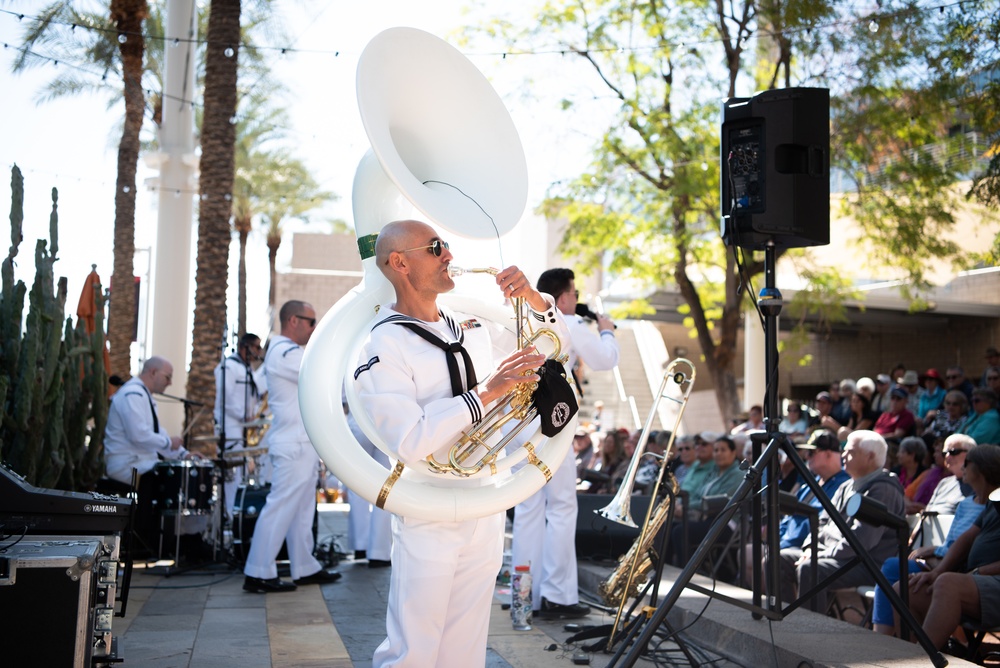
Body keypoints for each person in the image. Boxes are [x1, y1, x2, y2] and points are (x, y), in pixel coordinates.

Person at [354, 220, 567, 667]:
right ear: (400, 263)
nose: (449, 254)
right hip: (428, 507)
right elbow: (409, 439)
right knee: (412, 648)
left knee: (466, 648)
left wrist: (532, 299)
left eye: (447, 245)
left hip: (484, 501)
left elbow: (552, 346)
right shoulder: (384, 341)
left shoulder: (469, 326)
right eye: (436, 248)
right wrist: (485, 393)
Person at [512, 266, 618, 620]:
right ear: (561, 298)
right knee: (561, 507)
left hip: (518, 425)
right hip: (553, 425)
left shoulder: (521, 322)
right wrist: (606, 332)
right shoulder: (569, 324)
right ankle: (557, 595)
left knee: (528, 510)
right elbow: (606, 359)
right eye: (573, 293)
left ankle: (525, 599)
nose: (576, 299)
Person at [243, 300, 341, 594]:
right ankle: (258, 571)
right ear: (293, 321)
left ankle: (304, 566)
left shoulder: (289, 351)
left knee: (301, 510)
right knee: (282, 506)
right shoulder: (285, 351)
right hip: (293, 442)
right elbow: (319, 374)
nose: (314, 327)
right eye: (311, 322)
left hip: (302, 441)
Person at [877, 444, 1000, 649]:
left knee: (948, 583)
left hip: (991, 580)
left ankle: (921, 661)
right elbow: (967, 538)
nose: (963, 469)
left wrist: (979, 572)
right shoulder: (994, 503)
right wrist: (938, 571)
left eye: (967, 464)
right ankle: (908, 656)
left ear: (982, 469)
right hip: (976, 582)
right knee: (904, 590)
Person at [778, 430, 905, 611]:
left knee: (810, 568)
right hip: (835, 556)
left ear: (870, 457)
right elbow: (820, 524)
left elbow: (861, 541)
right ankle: (787, 620)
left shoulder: (883, 490)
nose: (843, 454)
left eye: (850, 451)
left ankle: (808, 633)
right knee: (778, 559)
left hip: (866, 563)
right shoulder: (845, 486)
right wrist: (809, 548)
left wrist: (819, 554)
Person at [104, 356, 201, 556]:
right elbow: (139, 435)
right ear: (153, 372)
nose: (170, 382)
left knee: (176, 474)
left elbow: (157, 434)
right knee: (169, 479)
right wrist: (168, 443)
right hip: (126, 464)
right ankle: (158, 543)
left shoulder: (143, 395)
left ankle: (179, 541)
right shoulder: (132, 394)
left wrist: (184, 454)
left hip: (143, 462)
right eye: (168, 377)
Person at [214, 332, 266, 517]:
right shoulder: (228, 367)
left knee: (240, 475)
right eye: (257, 347)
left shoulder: (247, 369)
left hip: (243, 429)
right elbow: (224, 397)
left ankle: (235, 514)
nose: (259, 351)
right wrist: (244, 415)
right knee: (230, 476)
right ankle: (226, 515)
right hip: (230, 428)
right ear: (246, 347)